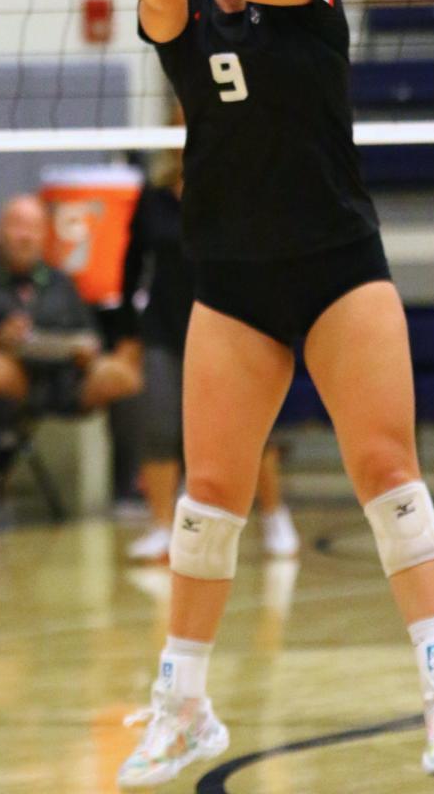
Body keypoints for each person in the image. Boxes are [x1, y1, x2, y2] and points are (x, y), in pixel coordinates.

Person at [93, 0, 434, 784]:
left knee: (389, 477)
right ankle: (182, 707)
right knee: (209, 500)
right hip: (230, 279)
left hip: (336, 265)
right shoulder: (179, 5)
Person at [121, 147, 299, 563]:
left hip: (230, 320)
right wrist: (128, 335)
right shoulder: (154, 199)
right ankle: (162, 528)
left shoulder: (240, 190)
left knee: (251, 426)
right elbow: (129, 269)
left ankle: (274, 516)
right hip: (165, 326)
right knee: (159, 425)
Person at [0, 194, 142, 521]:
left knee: (122, 375)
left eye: (33, 227)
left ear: (45, 234)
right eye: (17, 226)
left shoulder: (59, 281)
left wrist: (86, 350)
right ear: (0, 230)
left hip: (64, 378)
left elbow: (88, 332)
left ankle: (128, 486)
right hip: (12, 383)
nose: (25, 236)